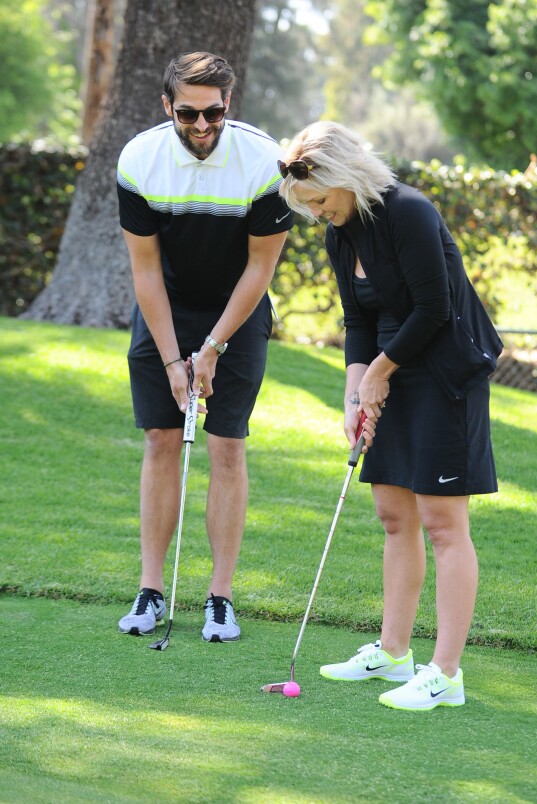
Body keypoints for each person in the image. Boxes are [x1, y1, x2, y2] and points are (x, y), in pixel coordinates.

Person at [278, 121, 502, 711]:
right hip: (390, 368)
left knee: (442, 522)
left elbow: (434, 308)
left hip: (447, 373)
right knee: (393, 515)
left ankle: (445, 674)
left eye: (321, 201)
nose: (319, 214)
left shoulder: (408, 212)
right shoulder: (341, 235)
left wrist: (378, 375)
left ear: (345, 179)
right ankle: (394, 651)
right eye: (310, 208)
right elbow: (356, 320)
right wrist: (355, 396)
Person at [116, 52, 292, 643]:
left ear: (228, 105)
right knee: (162, 439)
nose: (201, 126)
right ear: (167, 105)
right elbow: (144, 271)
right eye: (187, 113)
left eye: (213, 113)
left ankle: (220, 596)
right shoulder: (140, 160)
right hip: (164, 307)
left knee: (225, 446)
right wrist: (173, 359)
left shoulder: (264, 161)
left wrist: (212, 348)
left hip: (237, 311)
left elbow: (261, 266)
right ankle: (150, 587)